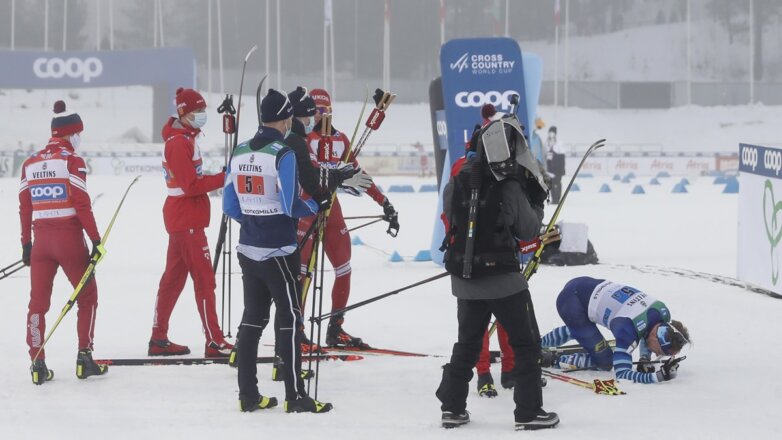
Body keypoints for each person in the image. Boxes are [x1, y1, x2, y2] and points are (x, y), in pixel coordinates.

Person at [436, 113, 559, 431]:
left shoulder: (459, 176)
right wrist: (537, 202)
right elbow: (529, 230)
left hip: (465, 279)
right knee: (527, 343)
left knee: (468, 343)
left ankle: (452, 407)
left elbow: (448, 217)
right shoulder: (509, 183)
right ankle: (529, 412)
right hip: (504, 280)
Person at [223, 88, 333, 413]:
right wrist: (317, 202)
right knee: (290, 318)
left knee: (252, 320)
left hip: (248, 248)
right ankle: (295, 396)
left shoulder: (240, 150)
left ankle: (248, 396)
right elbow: (290, 205)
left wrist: (254, 218)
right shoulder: (282, 152)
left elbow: (230, 204)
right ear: (286, 118)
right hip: (280, 251)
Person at [297, 88, 398, 349]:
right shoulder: (304, 138)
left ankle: (336, 328)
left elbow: (358, 173)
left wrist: (384, 202)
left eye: (327, 110)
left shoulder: (341, 139)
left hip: (332, 208)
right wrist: (335, 175)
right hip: (308, 208)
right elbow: (309, 172)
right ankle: (295, 330)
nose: (323, 115)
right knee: (303, 272)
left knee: (344, 267)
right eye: (319, 111)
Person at [20, 100, 108, 384]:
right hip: (69, 239)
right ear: (71, 134)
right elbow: (81, 203)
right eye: (78, 133)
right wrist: (96, 239)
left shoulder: (30, 163)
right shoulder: (72, 161)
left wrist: (26, 244)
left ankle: (37, 363)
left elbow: (24, 206)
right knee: (88, 296)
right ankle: (85, 357)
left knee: (38, 304)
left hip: (41, 242)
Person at [149, 87, 233, 358]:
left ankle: (158, 338)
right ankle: (214, 341)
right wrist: (223, 178)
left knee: (173, 281)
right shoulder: (177, 143)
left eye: (203, 111)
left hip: (184, 219)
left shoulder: (185, 138)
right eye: (197, 111)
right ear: (184, 113)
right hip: (186, 220)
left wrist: (219, 177)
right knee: (205, 280)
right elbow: (190, 185)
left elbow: (191, 180)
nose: (202, 116)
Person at [541, 276, 690, 384]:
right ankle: (548, 357)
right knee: (605, 362)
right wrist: (657, 377)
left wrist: (644, 359)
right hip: (572, 303)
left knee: (587, 335)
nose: (658, 355)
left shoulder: (662, 312)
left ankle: (575, 332)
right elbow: (622, 374)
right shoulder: (628, 332)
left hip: (583, 284)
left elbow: (648, 331)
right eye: (660, 352)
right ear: (657, 337)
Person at [545, 126, 566, 204]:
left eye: (552, 132)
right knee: (551, 183)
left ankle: (558, 199)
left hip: (558, 166)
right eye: (550, 132)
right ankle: (554, 199)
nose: (551, 134)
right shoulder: (547, 142)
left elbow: (562, 156)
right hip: (550, 166)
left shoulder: (559, 142)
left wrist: (562, 168)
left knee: (557, 182)